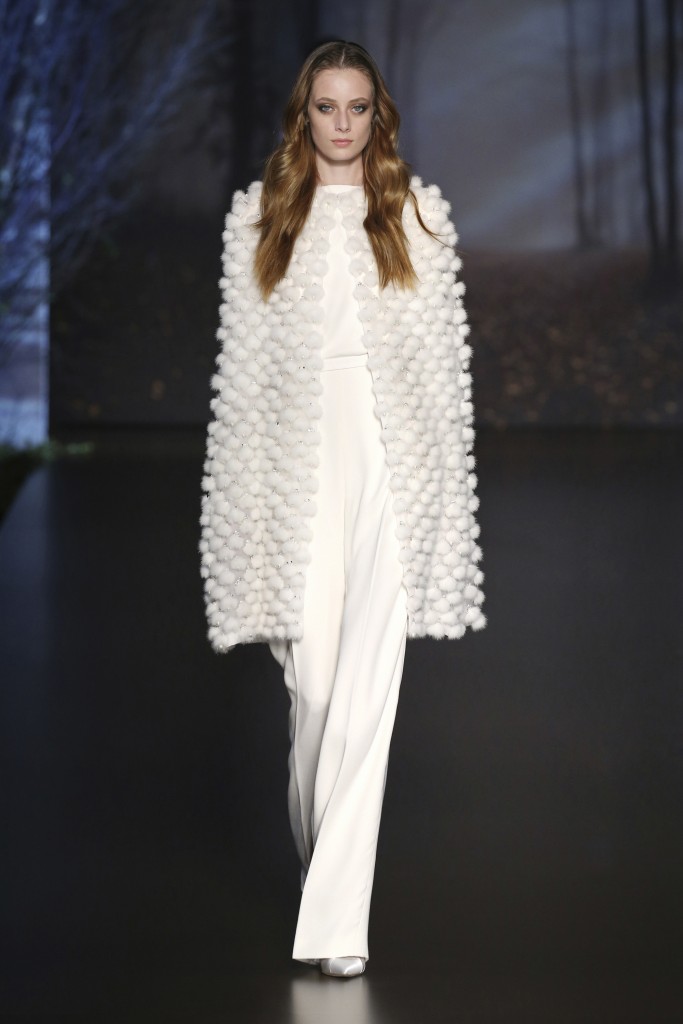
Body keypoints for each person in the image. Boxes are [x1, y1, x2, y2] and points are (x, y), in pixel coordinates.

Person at [199, 39, 486, 978]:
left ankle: (335, 927)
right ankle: (322, 871)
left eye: (357, 107)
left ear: (377, 115)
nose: (341, 124)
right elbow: (241, 386)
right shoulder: (260, 218)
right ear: (304, 114)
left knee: (366, 698)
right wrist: (243, 509)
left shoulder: (414, 214)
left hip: (391, 464)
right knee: (316, 696)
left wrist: (438, 498)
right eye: (326, 107)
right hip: (298, 470)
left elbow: (441, 379)